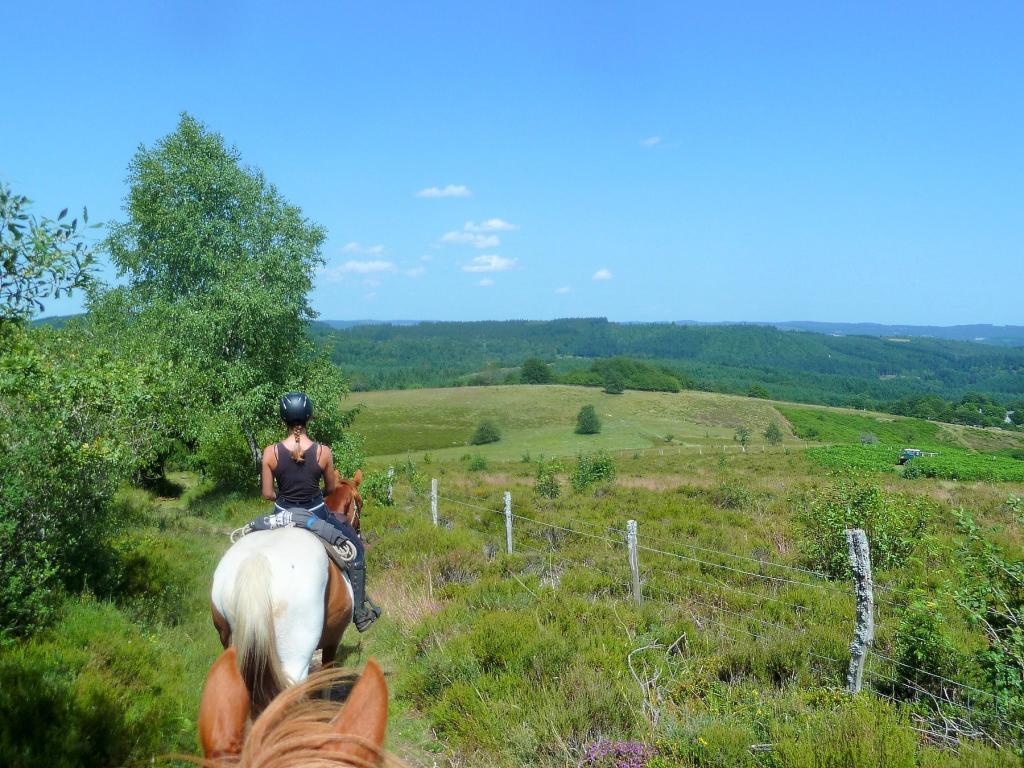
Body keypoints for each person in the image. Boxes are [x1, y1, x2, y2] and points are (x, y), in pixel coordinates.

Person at [260, 391, 380, 632]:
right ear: (308, 418)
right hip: (316, 516)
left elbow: (267, 494)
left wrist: (282, 496)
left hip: (282, 515)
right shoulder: (323, 452)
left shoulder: (270, 453)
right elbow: (331, 488)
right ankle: (359, 613)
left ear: (283, 419)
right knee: (355, 550)